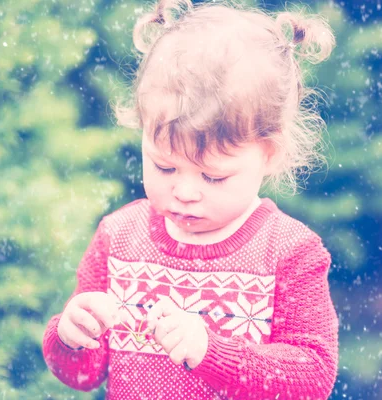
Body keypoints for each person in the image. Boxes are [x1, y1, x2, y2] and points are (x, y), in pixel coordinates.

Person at [42, 0, 338, 398]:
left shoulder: (289, 253)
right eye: (165, 167)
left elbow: (313, 378)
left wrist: (211, 351)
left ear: (269, 154)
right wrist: (71, 337)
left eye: (213, 176)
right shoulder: (119, 238)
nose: (184, 192)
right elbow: (84, 376)